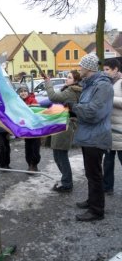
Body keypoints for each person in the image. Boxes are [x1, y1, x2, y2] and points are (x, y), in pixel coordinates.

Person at [65, 53, 114, 222]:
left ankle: (97, 211)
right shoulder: (90, 85)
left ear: (88, 68)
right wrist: (74, 111)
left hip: (96, 137)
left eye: (81, 66)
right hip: (88, 135)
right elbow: (86, 108)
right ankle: (92, 201)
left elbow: (94, 112)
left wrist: (74, 107)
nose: (79, 68)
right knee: (90, 173)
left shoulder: (103, 86)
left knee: (94, 175)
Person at [43, 70, 82, 192]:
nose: (66, 79)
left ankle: (67, 183)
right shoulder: (69, 89)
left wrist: (48, 83)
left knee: (61, 155)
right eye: (67, 77)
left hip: (65, 125)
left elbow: (53, 97)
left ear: (75, 81)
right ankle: (65, 179)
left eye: (69, 77)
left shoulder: (71, 91)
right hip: (61, 124)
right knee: (57, 155)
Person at [103, 58, 122, 195]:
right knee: (108, 163)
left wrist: (109, 98)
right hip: (109, 130)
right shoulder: (107, 83)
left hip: (120, 132)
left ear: (115, 69)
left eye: (107, 69)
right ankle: (107, 187)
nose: (104, 72)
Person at [17, 84, 41, 171]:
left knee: (35, 147)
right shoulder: (18, 102)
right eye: (21, 92)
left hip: (35, 128)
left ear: (28, 92)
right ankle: (29, 164)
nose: (23, 93)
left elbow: (36, 113)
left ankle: (34, 164)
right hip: (26, 129)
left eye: (24, 91)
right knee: (28, 147)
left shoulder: (33, 100)